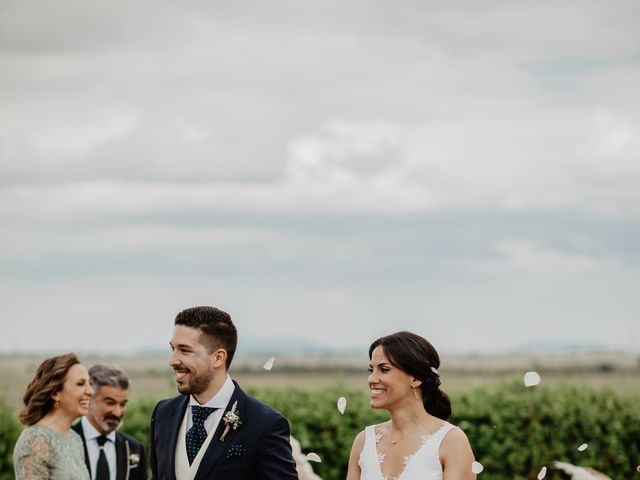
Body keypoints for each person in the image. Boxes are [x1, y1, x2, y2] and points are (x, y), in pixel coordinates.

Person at [149, 305, 298, 480]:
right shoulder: (163, 413)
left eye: (185, 350)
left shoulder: (265, 424)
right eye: (172, 349)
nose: (173, 360)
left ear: (218, 357)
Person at [346, 331, 477, 480]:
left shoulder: (451, 441)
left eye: (384, 369)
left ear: (415, 378)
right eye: (371, 370)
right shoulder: (363, 442)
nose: (371, 379)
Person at [13, 353, 93, 480]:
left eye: (90, 383)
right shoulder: (36, 440)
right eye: (80, 384)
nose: (90, 391)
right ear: (56, 393)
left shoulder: (75, 439)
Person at [72, 364, 147, 480]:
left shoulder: (135, 448)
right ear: (89, 399)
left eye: (123, 404)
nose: (117, 412)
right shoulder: (65, 441)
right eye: (110, 402)